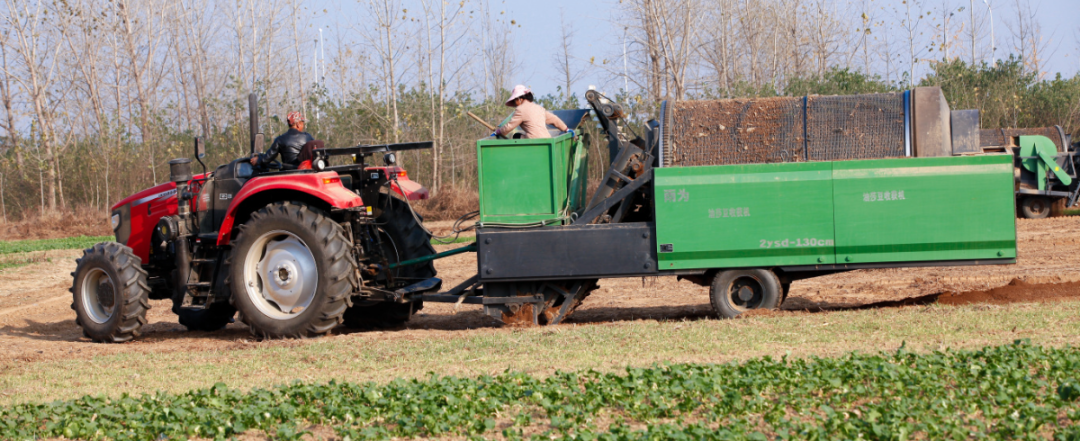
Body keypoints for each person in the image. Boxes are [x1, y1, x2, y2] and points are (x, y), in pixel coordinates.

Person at [494, 85, 573, 139]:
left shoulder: (520, 110)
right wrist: (565, 128)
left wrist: (498, 132)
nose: (515, 103)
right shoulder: (539, 108)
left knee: (516, 136)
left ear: (520, 99)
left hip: (534, 141)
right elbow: (554, 119)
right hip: (547, 139)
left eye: (515, 100)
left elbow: (510, 126)